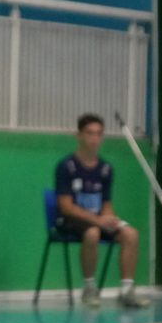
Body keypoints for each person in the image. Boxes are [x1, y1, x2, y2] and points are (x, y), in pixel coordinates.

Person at [54, 115, 145, 309]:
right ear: (78, 135)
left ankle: (127, 291)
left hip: (98, 219)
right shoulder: (66, 167)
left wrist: (109, 218)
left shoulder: (105, 169)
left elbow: (106, 204)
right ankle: (89, 288)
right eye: (89, 133)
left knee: (131, 234)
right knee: (93, 233)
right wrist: (97, 221)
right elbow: (66, 207)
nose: (94, 139)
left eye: (99, 134)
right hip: (72, 220)